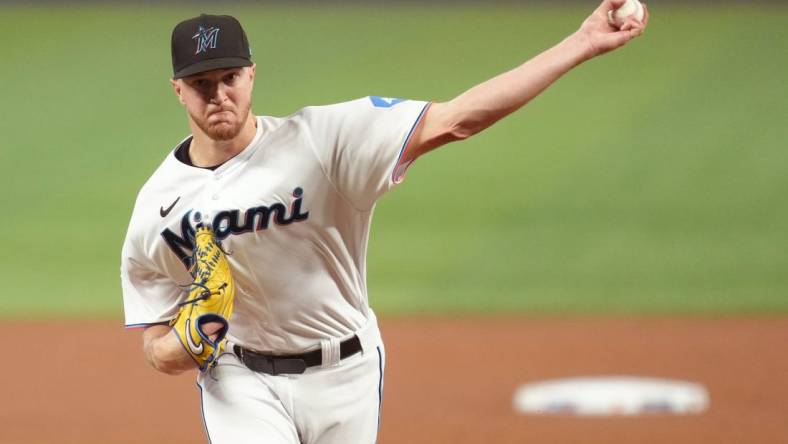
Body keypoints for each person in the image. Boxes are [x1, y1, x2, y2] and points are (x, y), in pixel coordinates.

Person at [120, 2, 649, 443]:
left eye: (230, 77)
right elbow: (156, 347)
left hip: (346, 370)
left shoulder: (323, 141)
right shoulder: (157, 205)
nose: (219, 95)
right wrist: (187, 343)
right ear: (178, 90)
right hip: (239, 379)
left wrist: (580, 42)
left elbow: (459, 118)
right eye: (201, 83)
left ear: (252, 74)